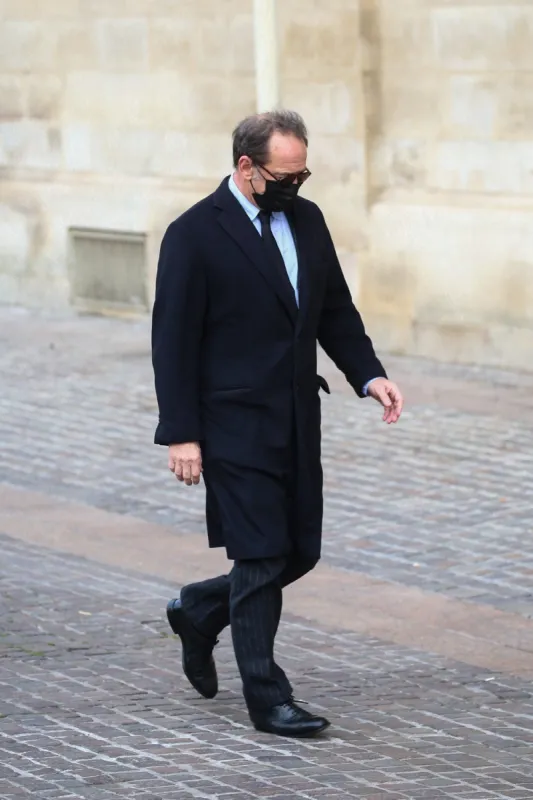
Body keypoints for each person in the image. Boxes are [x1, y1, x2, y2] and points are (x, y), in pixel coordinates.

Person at [151, 110, 403, 738]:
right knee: (261, 554)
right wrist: (181, 432)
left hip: (295, 413)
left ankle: (200, 608)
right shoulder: (193, 235)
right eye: (285, 177)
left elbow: (334, 310)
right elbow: (172, 340)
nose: (296, 187)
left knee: (299, 550)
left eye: (303, 174)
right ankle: (269, 698)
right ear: (246, 167)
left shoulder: (308, 220)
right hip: (230, 420)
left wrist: (369, 375)